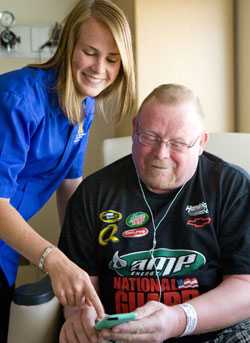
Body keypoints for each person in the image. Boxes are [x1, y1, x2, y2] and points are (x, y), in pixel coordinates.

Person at [58, 83, 250, 343]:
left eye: (178, 144)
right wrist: (82, 314)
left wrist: (178, 320)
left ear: (201, 142)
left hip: (212, 332)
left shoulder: (232, 187)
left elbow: (245, 285)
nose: (161, 154)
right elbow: (80, 284)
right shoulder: (92, 193)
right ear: (134, 129)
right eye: (150, 137)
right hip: (120, 334)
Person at [0, 0, 135, 340]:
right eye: (89, 52)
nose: (99, 68)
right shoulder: (18, 101)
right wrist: (54, 260)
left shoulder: (83, 105)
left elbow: (70, 187)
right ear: (68, 46)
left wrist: (85, 262)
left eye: (112, 59)